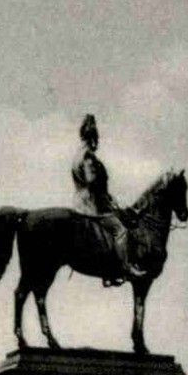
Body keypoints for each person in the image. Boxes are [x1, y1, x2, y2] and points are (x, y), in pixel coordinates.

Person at [70, 114, 142, 282]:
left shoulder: (77, 154)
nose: (98, 141)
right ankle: (126, 268)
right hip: (91, 205)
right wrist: (110, 200)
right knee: (120, 230)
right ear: (93, 137)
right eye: (96, 137)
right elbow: (92, 181)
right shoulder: (87, 156)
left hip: (80, 201)